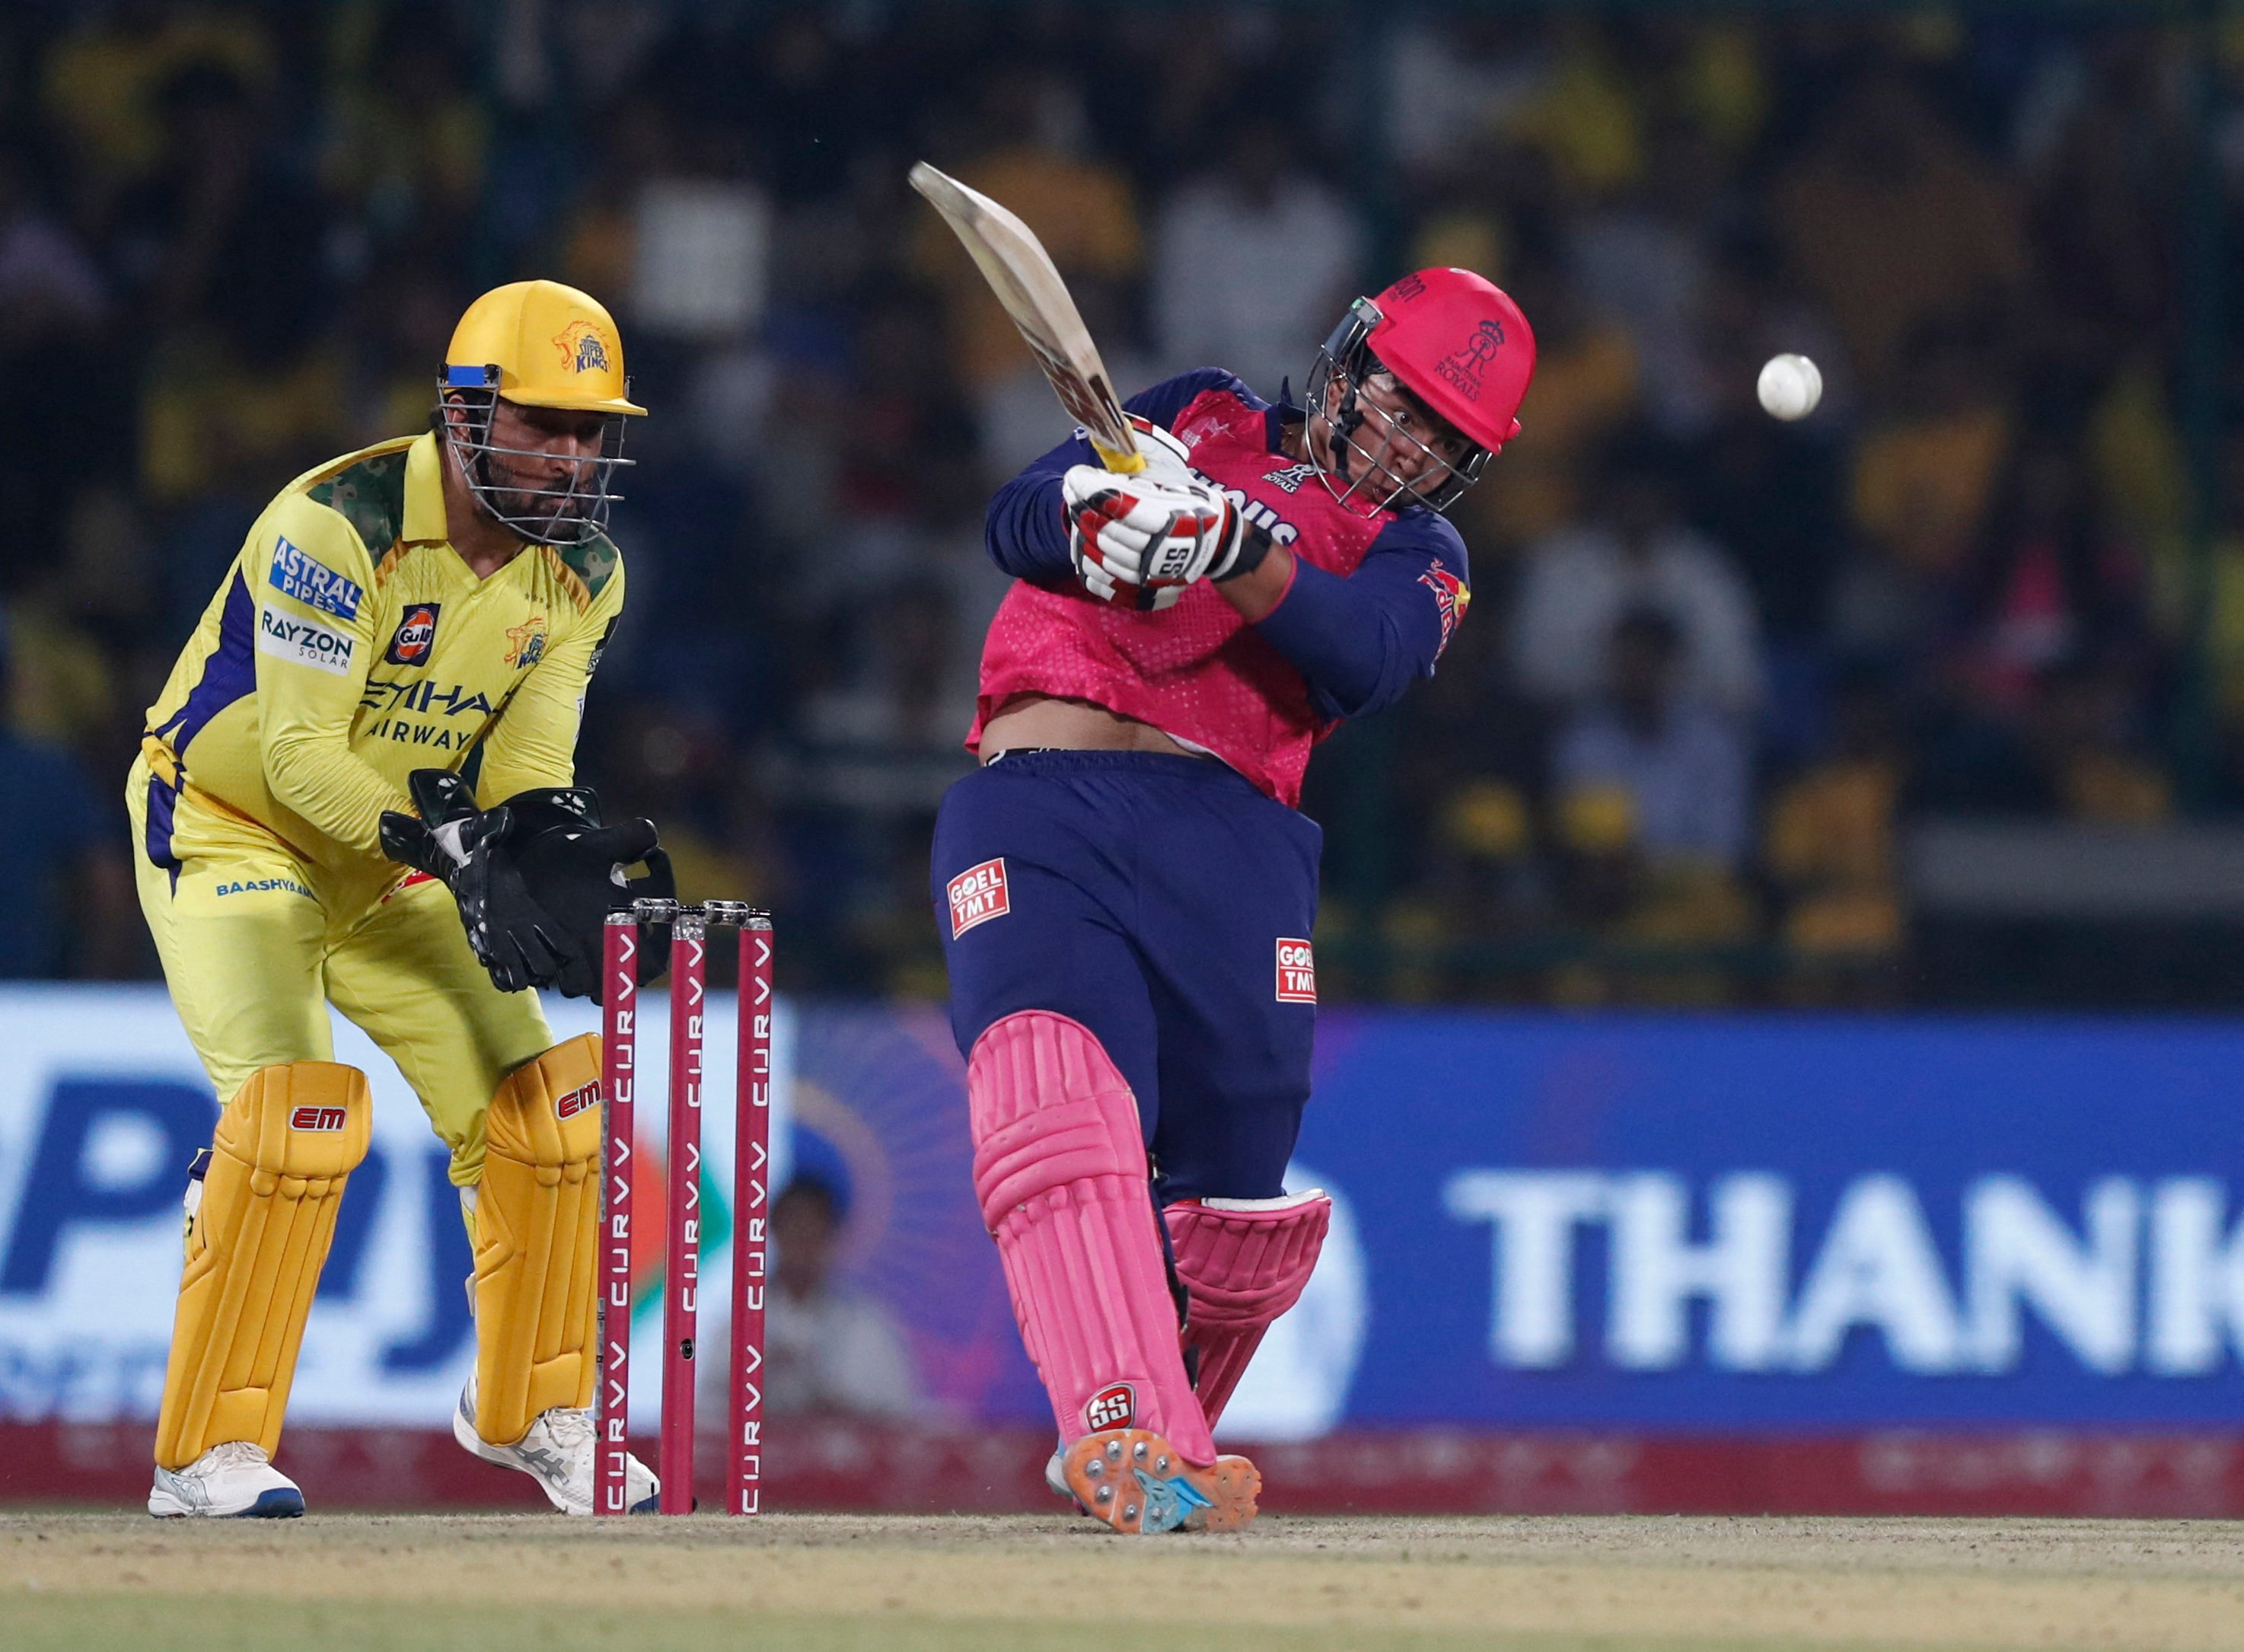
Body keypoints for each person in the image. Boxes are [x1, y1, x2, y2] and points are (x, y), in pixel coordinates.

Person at [932, 268, 1534, 1532]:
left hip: (1237, 839)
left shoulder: (1427, 555)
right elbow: (1014, 517)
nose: (1407, 441)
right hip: (1044, 795)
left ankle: (1163, 1424)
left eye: (1444, 438)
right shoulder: (1197, 416)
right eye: (1400, 401)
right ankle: (1122, 1430)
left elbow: (1361, 655)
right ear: (1349, 359)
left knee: (1242, 1215)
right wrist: (1096, 513)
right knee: (1060, 1098)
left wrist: (1235, 551)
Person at [128, 279, 663, 1517]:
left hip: (393, 860)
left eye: (591, 432)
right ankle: (200, 1454)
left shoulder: (586, 571)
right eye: (542, 423)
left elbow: (526, 765)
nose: (572, 457)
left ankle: (533, 1409)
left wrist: (534, 847)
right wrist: (449, 847)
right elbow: (295, 757)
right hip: (228, 831)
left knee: (550, 1106)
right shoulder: (339, 522)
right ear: (466, 414)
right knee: (291, 1113)